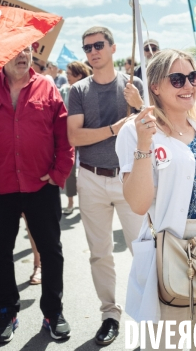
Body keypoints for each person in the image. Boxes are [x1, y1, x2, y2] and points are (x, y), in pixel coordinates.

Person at [116, 49, 196, 350]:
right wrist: (144, 145)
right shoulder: (133, 132)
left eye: (193, 77)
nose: (188, 86)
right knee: (169, 342)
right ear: (155, 86)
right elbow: (138, 204)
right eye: (177, 79)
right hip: (171, 251)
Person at [0, 46, 74, 343]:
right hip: (0, 187)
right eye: (14, 50)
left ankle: (53, 313)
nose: (21, 55)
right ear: (1, 54)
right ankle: (7, 311)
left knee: (51, 252)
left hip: (41, 186)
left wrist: (60, 173)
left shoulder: (47, 87)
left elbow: (64, 137)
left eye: (25, 49)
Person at [67, 26, 145, 346]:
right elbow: (76, 137)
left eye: (99, 45)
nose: (93, 51)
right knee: (100, 254)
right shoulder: (78, 90)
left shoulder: (133, 85)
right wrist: (114, 128)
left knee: (141, 250)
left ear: (113, 48)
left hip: (128, 177)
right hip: (90, 178)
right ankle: (110, 314)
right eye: (87, 48)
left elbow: (151, 127)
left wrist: (139, 106)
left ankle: (148, 314)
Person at [60, 62, 92, 214]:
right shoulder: (65, 90)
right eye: (66, 73)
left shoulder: (90, 90)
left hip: (89, 136)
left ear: (79, 75)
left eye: (69, 74)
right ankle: (71, 201)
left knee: (89, 169)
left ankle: (90, 202)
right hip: (70, 135)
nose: (66, 76)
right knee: (70, 170)